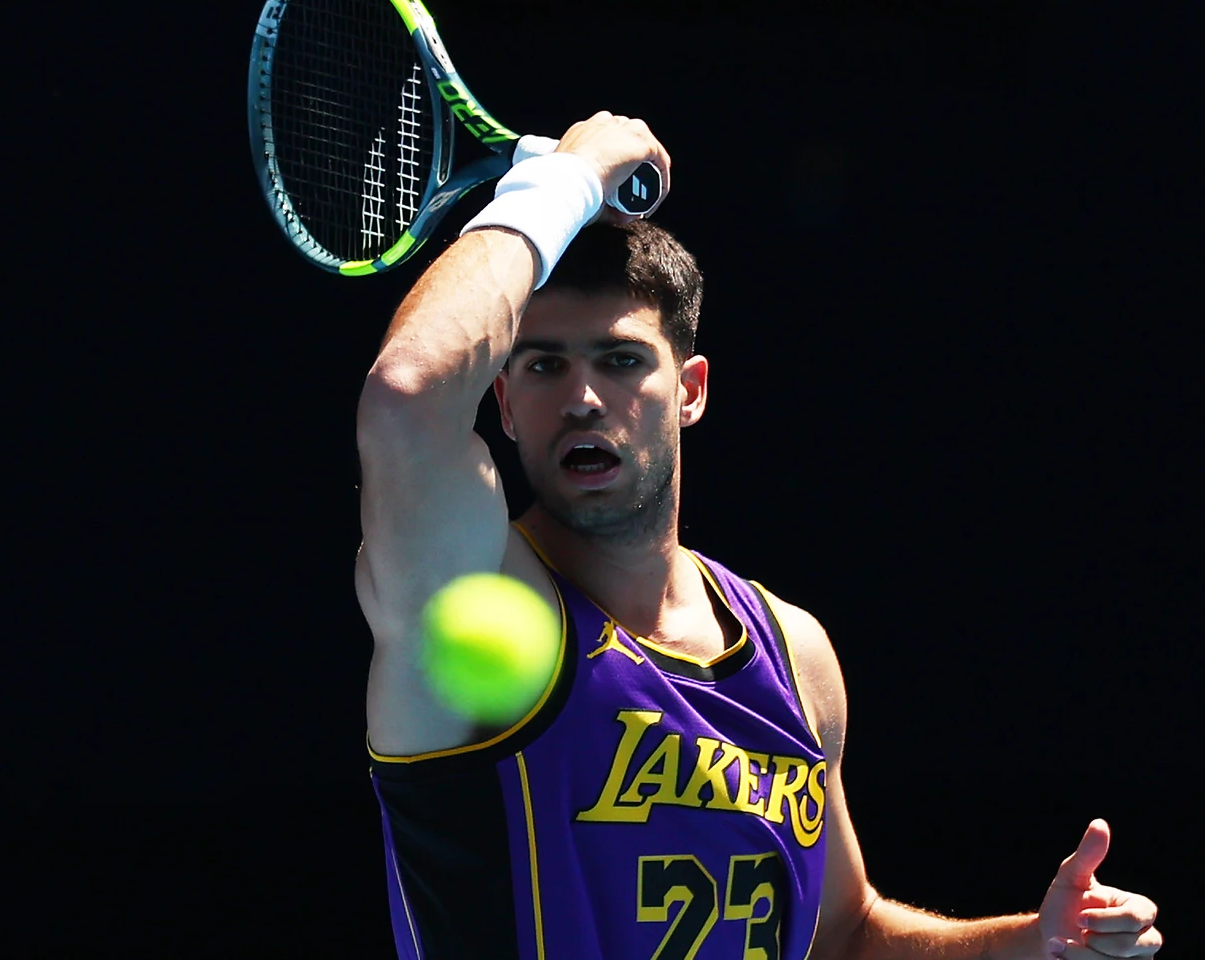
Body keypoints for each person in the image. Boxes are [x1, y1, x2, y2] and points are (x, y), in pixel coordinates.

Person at [355, 112, 1164, 959]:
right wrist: (568, 180)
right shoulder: (469, 591)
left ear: (691, 390)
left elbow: (845, 935)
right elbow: (407, 398)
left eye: (621, 360)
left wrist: (1031, 942)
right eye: (545, 365)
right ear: (506, 403)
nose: (585, 397)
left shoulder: (792, 656)